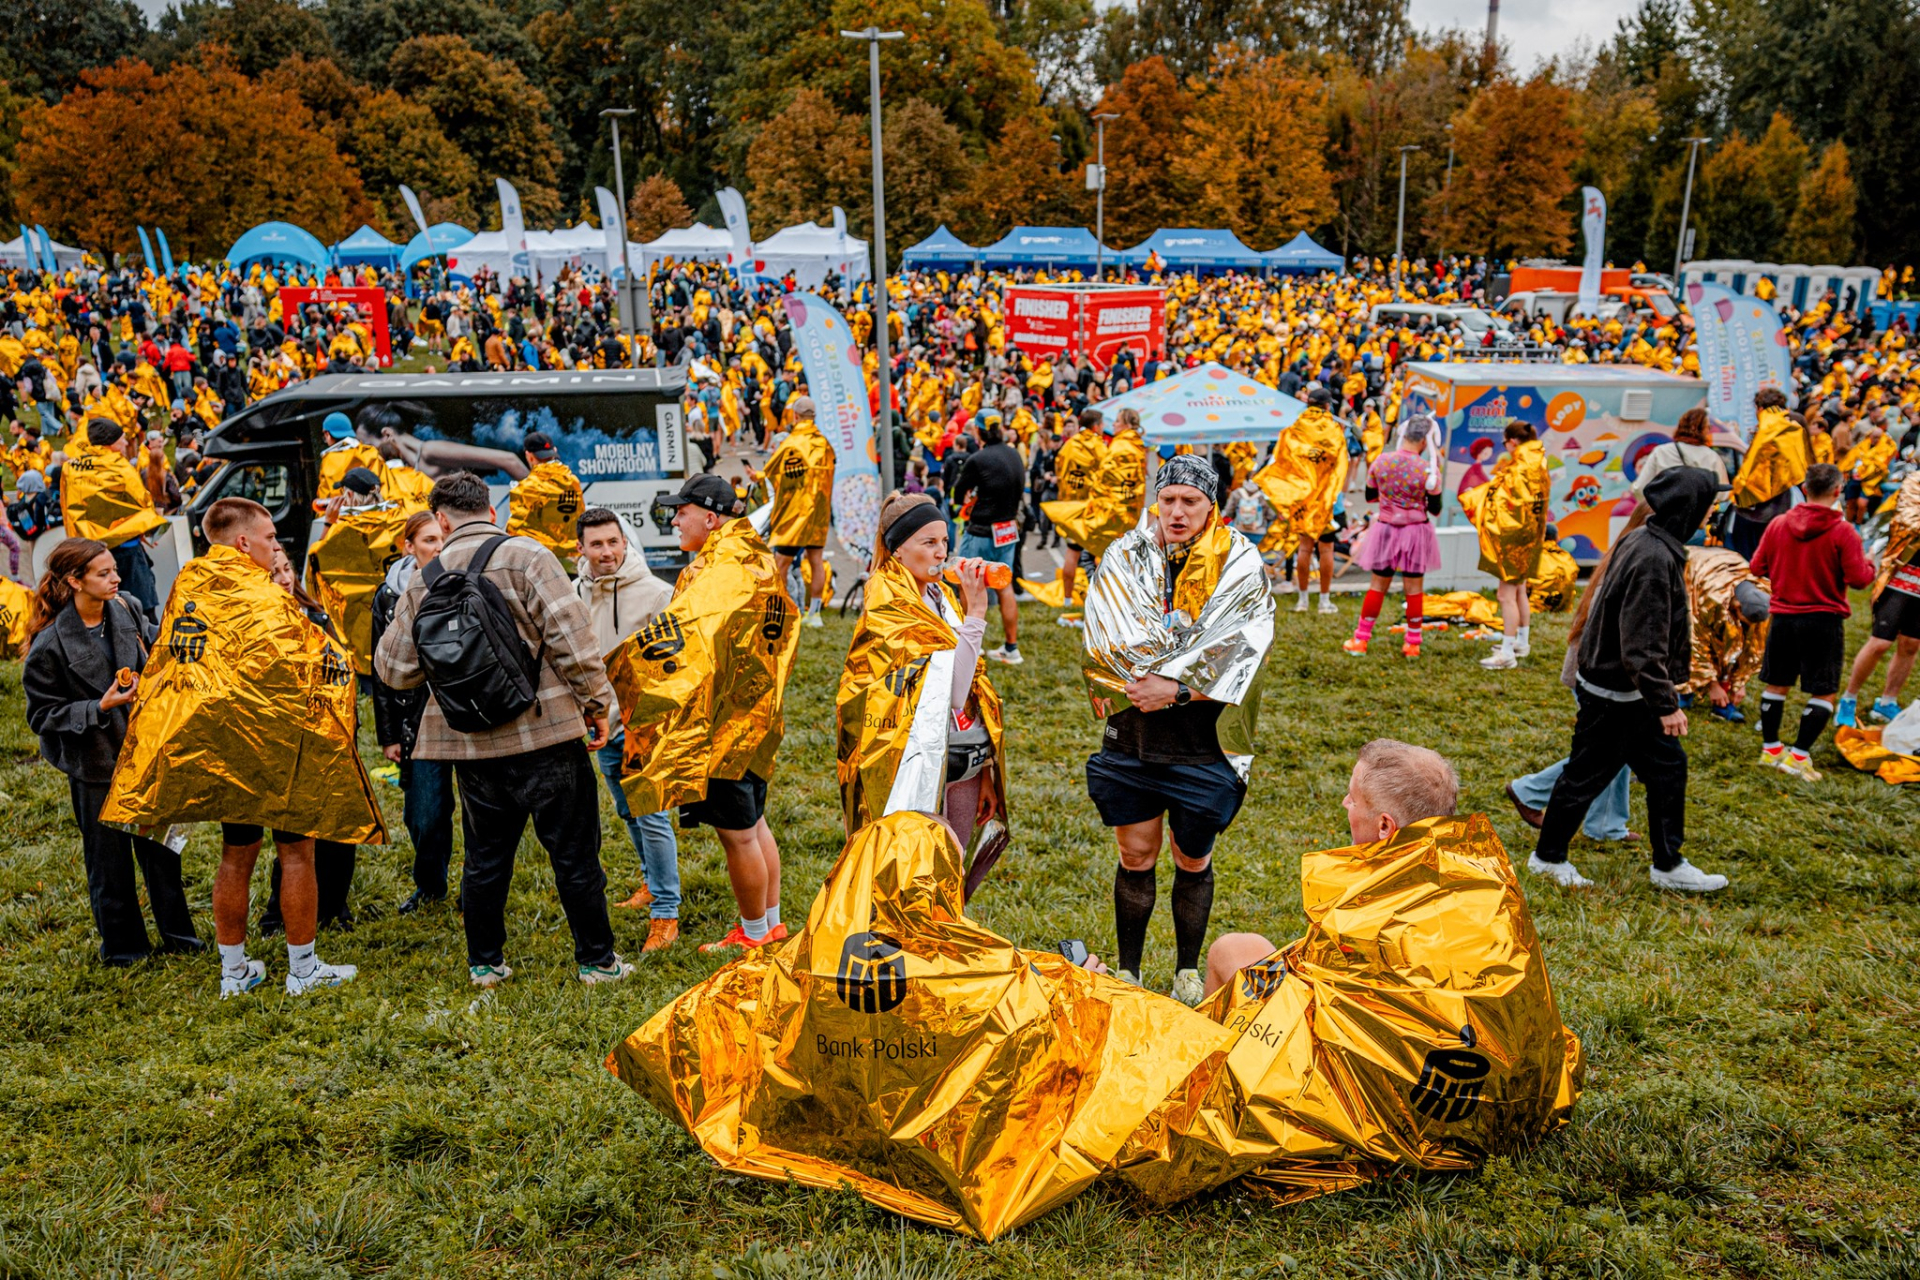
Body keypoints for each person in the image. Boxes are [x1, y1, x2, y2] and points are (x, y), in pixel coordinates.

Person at [103, 496, 372, 995]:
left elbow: (173, 654)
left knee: (236, 852)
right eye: (271, 539)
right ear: (244, 541)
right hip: (276, 743)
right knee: (297, 853)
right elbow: (304, 662)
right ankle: (304, 969)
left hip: (218, 747)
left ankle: (233, 971)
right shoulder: (263, 594)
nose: (276, 549)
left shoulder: (190, 584)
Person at [375, 471, 632, 988]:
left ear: (442, 521)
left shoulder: (425, 576)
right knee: (575, 852)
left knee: (484, 857)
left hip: (470, 744)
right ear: (492, 512)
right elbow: (571, 636)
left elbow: (393, 669)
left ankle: (486, 963)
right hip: (548, 731)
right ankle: (597, 961)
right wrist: (597, 703)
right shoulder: (529, 556)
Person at [1080, 456, 1276, 1004]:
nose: (1177, 511)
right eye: (1168, 500)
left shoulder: (1238, 562)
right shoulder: (1125, 556)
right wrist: (1161, 672)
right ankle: (1129, 970)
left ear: (1211, 506)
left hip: (1201, 746)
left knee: (1192, 858)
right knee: (1135, 856)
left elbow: (1247, 649)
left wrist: (1178, 689)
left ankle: (1188, 969)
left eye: (1190, 501)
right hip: (1135, 738)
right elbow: (1105, 638)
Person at [610, 473, 799, 953]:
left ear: (710, 518)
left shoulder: (721, 569)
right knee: (755, 825)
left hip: (723, 724)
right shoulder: (749, 556)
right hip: (754, 713)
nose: (674, 520)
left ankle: (753, 935)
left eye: (682, 512)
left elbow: (688, 638)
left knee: (737, 836)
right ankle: (771, 924)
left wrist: (624, 673)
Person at [1526, 468, 1729, 893]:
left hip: (1620, 688)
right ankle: (1547, 858)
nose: (1715, 510)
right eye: (1711, 502)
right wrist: (1666, 704)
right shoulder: (1653, 559)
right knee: (1585, 774)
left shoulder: (1646, 540)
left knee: (1667, 768)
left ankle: (1668, 865)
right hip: (1617, 693)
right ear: (1689, 508)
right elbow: (1641, 646)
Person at [22, 537, 200, 965]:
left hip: (144, 757)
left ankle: (181, 939)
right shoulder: (50, 646)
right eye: (104, 573)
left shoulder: (127, 609)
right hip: (96, 767)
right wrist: (98, 707)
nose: (116, 577)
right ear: (74, 581)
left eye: (114, 570)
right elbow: (42, 717)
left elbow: (159, 650)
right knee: (109, 866)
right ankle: (124, 951)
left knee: (162, 855)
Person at [1204, 739, 1458, 995]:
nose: (1345, 803)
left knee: (1230, 949)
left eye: (1354, 799)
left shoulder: (1362, 901)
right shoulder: (1475, 886)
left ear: (1385, 826)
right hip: (1450, 1029)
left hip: (1338, 1029)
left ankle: (1218, 1035)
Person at [838, 493, 1007, 874]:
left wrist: (982, 772)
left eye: (945, 542)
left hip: (961, 758)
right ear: (897, 549)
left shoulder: (940, 594)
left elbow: (969, 686)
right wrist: (977, 612)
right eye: (928, 543)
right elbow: (953, 689)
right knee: (918, 878)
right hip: (916, 763)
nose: (940, 553)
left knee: (952, 873)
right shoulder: (888, 602)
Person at [572, 506, 682, 953]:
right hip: (601, 723)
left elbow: (674, 665)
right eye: (596, 544)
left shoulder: (656, 594)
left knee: (651, 816)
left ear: (625, 542)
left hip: (643, 726)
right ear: (580, 548)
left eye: (613, 542)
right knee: (624, 811)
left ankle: (666, 914)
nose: (606, 552)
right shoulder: (575, 591)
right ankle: (651, 884)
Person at [1749, 462, 1877, 782]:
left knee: (1776, 683)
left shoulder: (1779, 524)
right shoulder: (1843, 530)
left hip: (1783, 616)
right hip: (1823, 618)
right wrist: (1871, 566)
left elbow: (1756, 566)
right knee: (1824, 691)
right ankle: (1799, 756)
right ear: (1837, 491)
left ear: (1804, 489)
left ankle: (1771, 748)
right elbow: (1859, 579)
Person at [370, 510, 457, 914]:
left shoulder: (463, 581)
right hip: (415, 721)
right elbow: (380, 666)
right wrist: (387, 733)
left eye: (442, 539)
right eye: (428, 541)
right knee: (423, 812)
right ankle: (430, 884)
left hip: (463, 712)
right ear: (409, 547)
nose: (438, 548)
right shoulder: (389, 594)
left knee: (480, 813)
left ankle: (477, 885)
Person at [1345, 414, 1443, 657]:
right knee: (1414, 588)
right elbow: (1435, 508)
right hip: (1416, 532)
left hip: (1386, 530)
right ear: (1425, 441)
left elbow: (1370, 497)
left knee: (1378, 585)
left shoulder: (1381, 461)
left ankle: (1361, 639)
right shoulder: (1428, 470)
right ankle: (1412, 643)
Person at [1254, 385, 1349, 615]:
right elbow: (1341, 465)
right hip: (1327, 499)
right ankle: (1324, 601)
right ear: (1327, 406)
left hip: (1302, 499)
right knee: (1326, 550)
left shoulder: (1295, 429)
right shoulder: (1334, 430)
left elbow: (1282, 462)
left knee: (1304, 549)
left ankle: (1303, 600)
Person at [1838, 464, 1920, 726]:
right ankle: (1848, 699)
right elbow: (1909, 521)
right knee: (1880, 642)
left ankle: (1887, 702)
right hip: (1900, 572)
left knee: (1911, 644)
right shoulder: (1915, 482)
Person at [948, 409, 1025, 665]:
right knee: (1005, 588)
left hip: (980, 531)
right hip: (1008, 530)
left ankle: (972, 645)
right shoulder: (1014, 454)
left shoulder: (978, 460)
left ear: (978, 431)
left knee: (967, 584)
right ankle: (1012, 648)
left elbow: (958, 496)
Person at [1473, 421, 1550, 670]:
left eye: (1505, 443)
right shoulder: (1539, 462)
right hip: (1532, 536)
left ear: (1513, 442)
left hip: (1515, 538)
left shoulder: (1519, 468)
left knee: (1505, 595)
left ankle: (1507, 653)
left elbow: (1505, 503)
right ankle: (1521, 642)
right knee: (1519, 590)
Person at [1676, 547, 1773, 723]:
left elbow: (1752, 647)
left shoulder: (1764, 599)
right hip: (1692, 571)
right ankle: (1685, 690)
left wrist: (1739, 683)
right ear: (1737, 607)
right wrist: (1712, 685)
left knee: (1732, 641)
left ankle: (1721, 702)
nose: (1747, 627)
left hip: (1724, 566)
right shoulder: (1711, 600)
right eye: (1745, 621)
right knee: (1688, 637)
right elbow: (1696, 641)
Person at [763, 394, 835, 626]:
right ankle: (814, 614)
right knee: (816, 560)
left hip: (795, 513)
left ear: (794, 416)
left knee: (781, 563)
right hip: (819, 511)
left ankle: (782, 611)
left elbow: (773, 472)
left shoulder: (791, 443)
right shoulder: (824, 443)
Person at [1726, 388, 1806, 558]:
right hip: (1785, 501)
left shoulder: (1767, 429)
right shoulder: (1793, 426)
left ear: (1760, 408)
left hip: (1759, 505)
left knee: (1749, 557)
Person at [1050, 407, 1106, 615]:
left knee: (1072, 553)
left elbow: (1059, 470)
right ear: (1096, 426)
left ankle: (1067, 599)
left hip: (1071, 507)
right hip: (1092, 509)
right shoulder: (1098, 445)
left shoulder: (1069, 445)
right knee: (1099, 553)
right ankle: (1099, 598)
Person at [504, 430, 586, 568]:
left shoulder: (526, 487)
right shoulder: (573, 482)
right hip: (573, 562)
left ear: (529, 456)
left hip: (541, 563)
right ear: (554, 451)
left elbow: (515, 532)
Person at [1631, 407, 1729, 499]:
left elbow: (1640, 488)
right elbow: (1722, 493)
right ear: (1700, 429)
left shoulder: (1661, 451)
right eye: (1708, 427)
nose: (1709, 431)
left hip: (1666, 512)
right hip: (1698, 515)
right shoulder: (1711, 456)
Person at [317, 410, 386, 500]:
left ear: (328, 434)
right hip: (374, 511)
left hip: (342, 513)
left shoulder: (329, 460)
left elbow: (324, 496)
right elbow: (384, 486)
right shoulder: (369, 452)